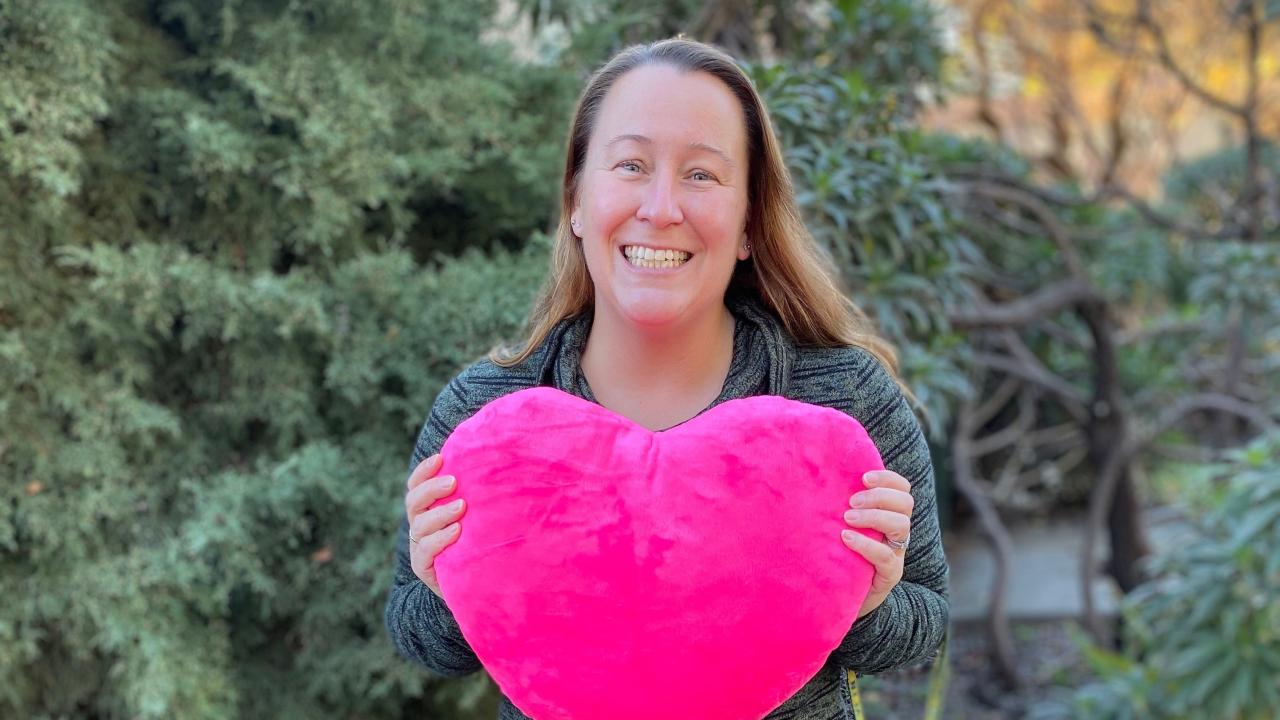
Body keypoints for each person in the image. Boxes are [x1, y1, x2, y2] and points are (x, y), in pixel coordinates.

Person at [385, 37, 949, 719]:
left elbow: (929, 616)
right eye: (630, 165)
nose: (660, 207)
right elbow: (418, 634)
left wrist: (866, 602)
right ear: (576, 200)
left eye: (702, 175)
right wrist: (444, 581)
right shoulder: (487, 414)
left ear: (748, 223)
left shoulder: (842, 394)